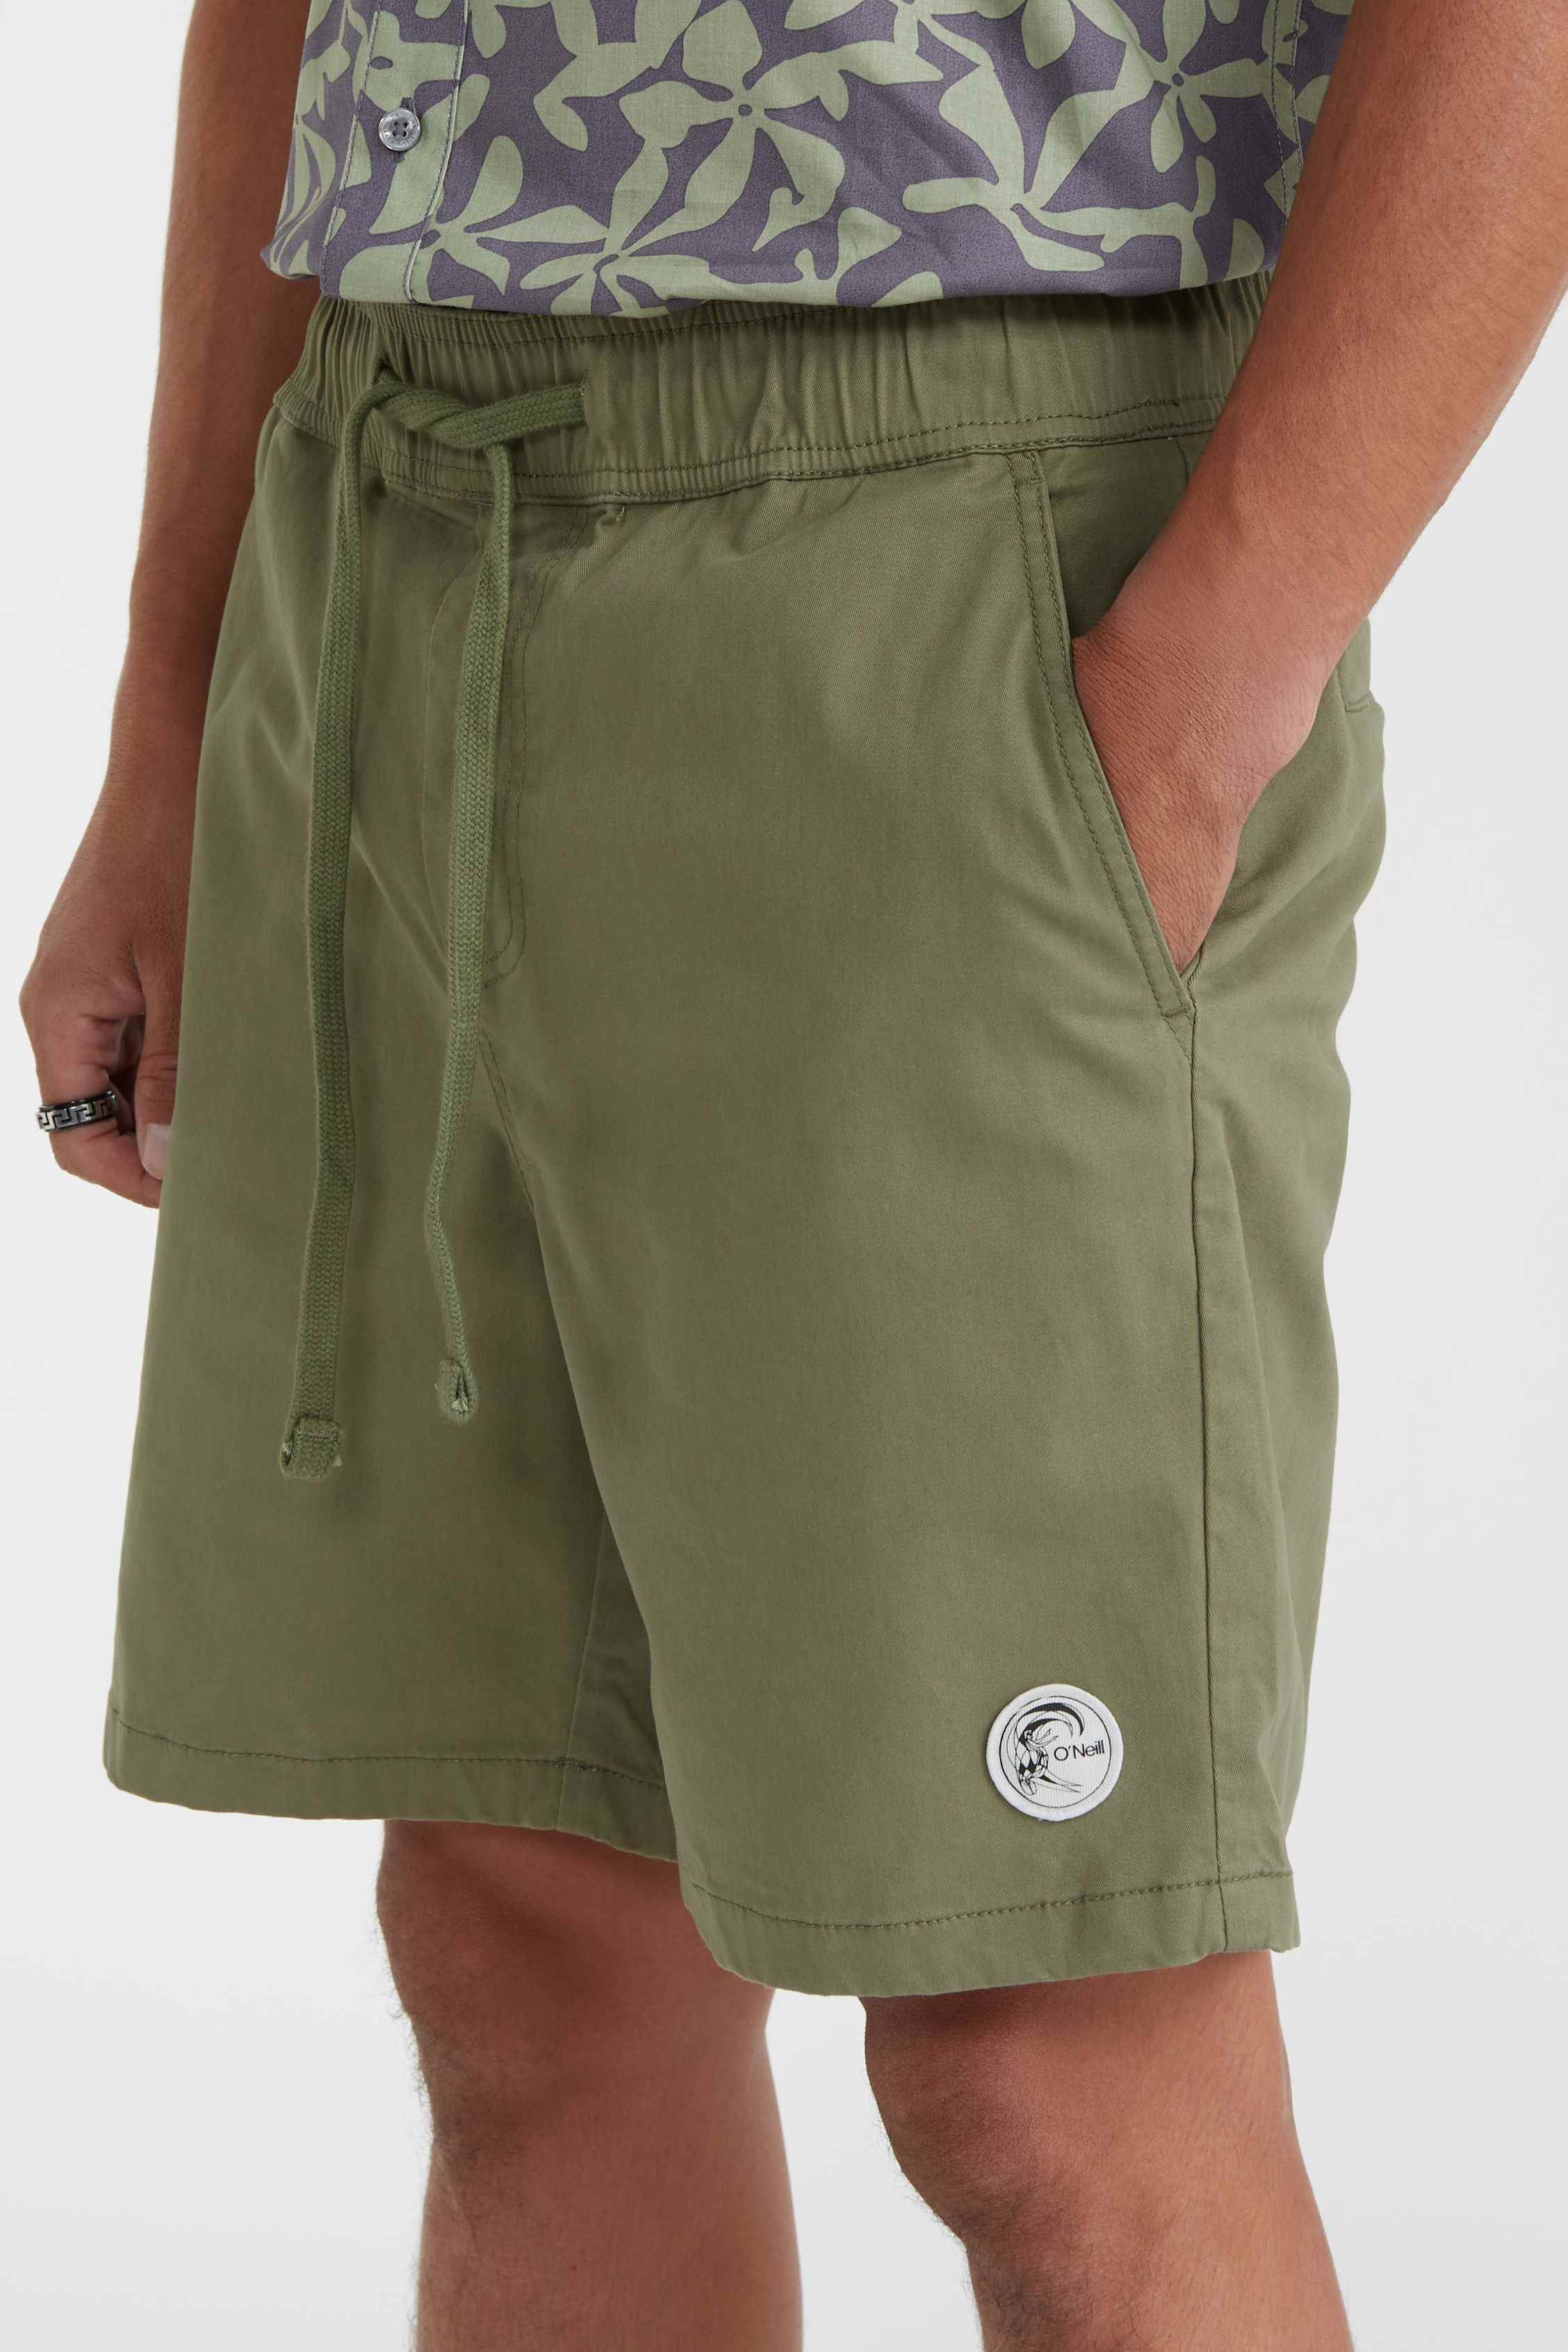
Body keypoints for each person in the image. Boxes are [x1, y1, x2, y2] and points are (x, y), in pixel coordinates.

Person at [20, 2, 1565, 2344]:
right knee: (527, 1935)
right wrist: (173, 705)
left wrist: (1196, 703)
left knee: (1046, 2045)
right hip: (401, 501)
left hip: (975, 532)